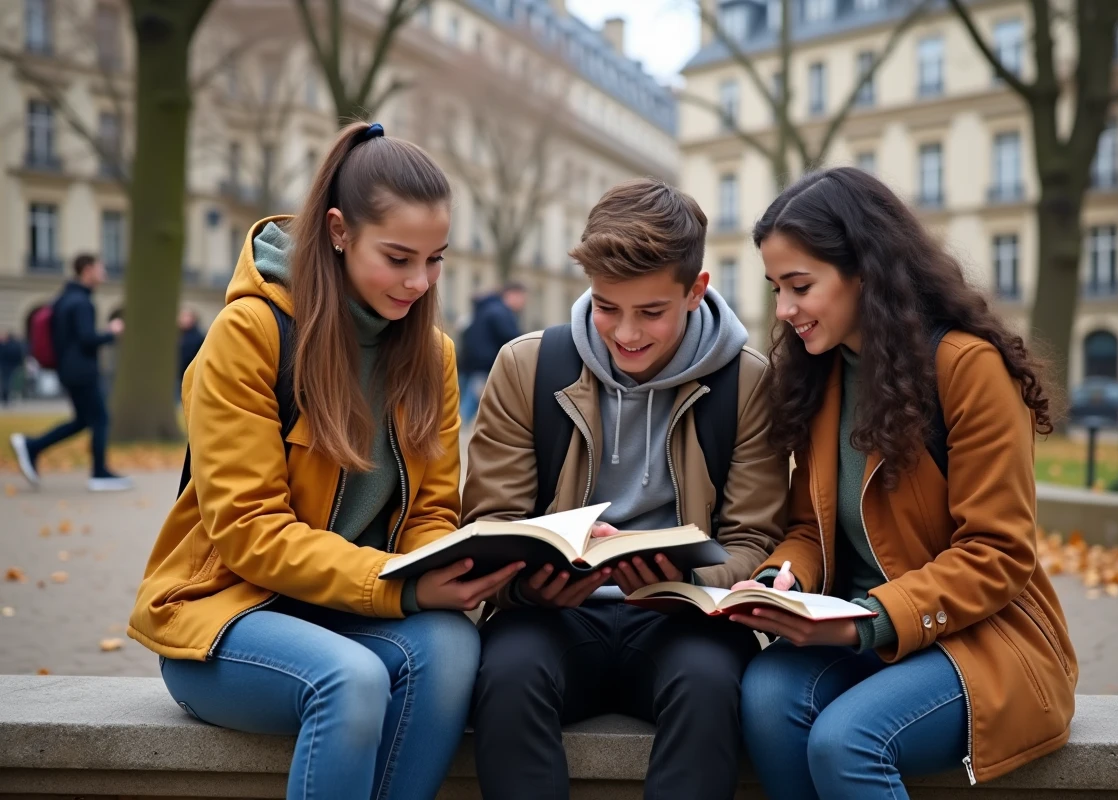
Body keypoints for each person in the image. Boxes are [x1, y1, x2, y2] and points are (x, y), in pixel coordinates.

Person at [127, 122, 525, 800]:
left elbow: (430, 512)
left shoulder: (432, 354)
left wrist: (452, 567)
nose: (419, 282)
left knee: (454, 648)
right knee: (352, 679)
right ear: (339, 231)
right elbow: (250, 531)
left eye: (435, 260)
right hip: (225, 617)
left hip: (349, 612)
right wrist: (399, 588)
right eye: (398, 258)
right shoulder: (251, 333)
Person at [735, 168, 1078, 799]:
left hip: (981, 640)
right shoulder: (819, 374)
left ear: (865, 271)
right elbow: (809, 526)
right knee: (764, 695)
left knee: (847, 740)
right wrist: (782, 581)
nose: (783, 310)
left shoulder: (968, 368)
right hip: (860, 629)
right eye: (776, 288)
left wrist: (868, 619)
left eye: (800, 286)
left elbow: (998, 554)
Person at [463, 178, 789, 800]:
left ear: (696, 290)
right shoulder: (526, 366)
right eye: (607, 307)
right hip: (553, 616)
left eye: (651, 312)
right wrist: (529, 583)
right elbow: (488, 522)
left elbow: (755, 539)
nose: (627, 333)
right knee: (506, 676)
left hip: (685, 620)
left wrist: (686, 581)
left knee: (709, 684)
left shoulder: (749, 383)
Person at [9, 254, 131, 491]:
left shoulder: (64, 298)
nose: (104, 274)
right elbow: (86, 339)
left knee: (83, 420)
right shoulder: (82, 302)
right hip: (82, 371)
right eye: (100, 268)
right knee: (101, 418)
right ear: (87, 270)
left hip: (68, 369)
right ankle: (99, 474)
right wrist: (112, 332)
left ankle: (32, 446)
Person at [457, 281, 525, 422]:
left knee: (467, 403)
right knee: (469, 405)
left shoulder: (485, 310)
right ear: (511, 295)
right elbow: (513, 340)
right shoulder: (500, 313)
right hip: (484, 366)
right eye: (521, 298)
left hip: (470, 365)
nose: (523, 303)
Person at [177, 308, 205, 399]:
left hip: (188, 375)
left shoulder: (197, 337)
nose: (182, 319)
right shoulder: (180, 334)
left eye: (186, 316)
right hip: (178, 374)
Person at [0, 331, 23, 406]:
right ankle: (7, 397)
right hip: (13, 366)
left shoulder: (5, 345)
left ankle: (5, 397)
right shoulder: (16, 345)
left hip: (5, 366)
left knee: (5, 382)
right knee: (10, 382)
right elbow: (19, 355)